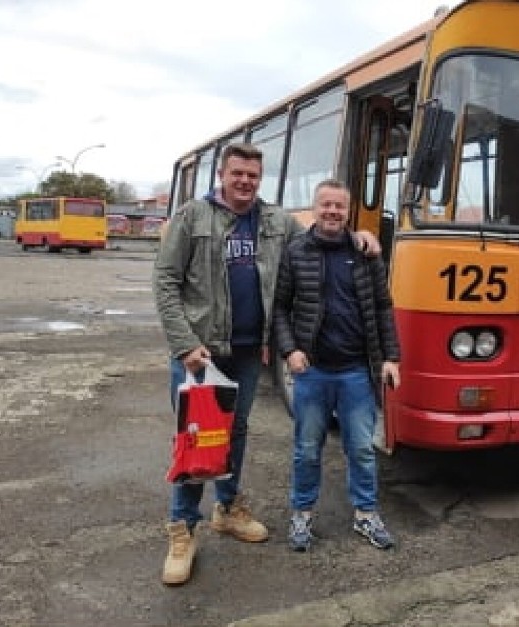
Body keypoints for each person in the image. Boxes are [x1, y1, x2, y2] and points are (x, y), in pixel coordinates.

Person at [153, 144, 381, 585]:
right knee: (196, 440)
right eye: (237, 173)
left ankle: (228, 508)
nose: (245, 181)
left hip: (246, 352)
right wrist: (184, 344)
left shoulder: (278, 221)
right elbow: (165, 282)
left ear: (260, 178)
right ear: (223, 174)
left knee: (234, 433)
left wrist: (360, 237)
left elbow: (322, 239)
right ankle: (182, 530)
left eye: (252, 175)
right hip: (200, 351)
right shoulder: (191, 217)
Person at [272, 178, 401, 552]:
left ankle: (365, 515)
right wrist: (289, 350)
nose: (332, 211)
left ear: (348, 212)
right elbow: (280, 307)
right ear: (315, 208)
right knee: (307, 449)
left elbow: (382, 306)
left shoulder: (366, 253)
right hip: (312, 371)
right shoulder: (295, 251)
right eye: (326, 204)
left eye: (339, 206)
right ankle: (301, 515)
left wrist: (391, 357)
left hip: (356, 372)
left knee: (361, 448)